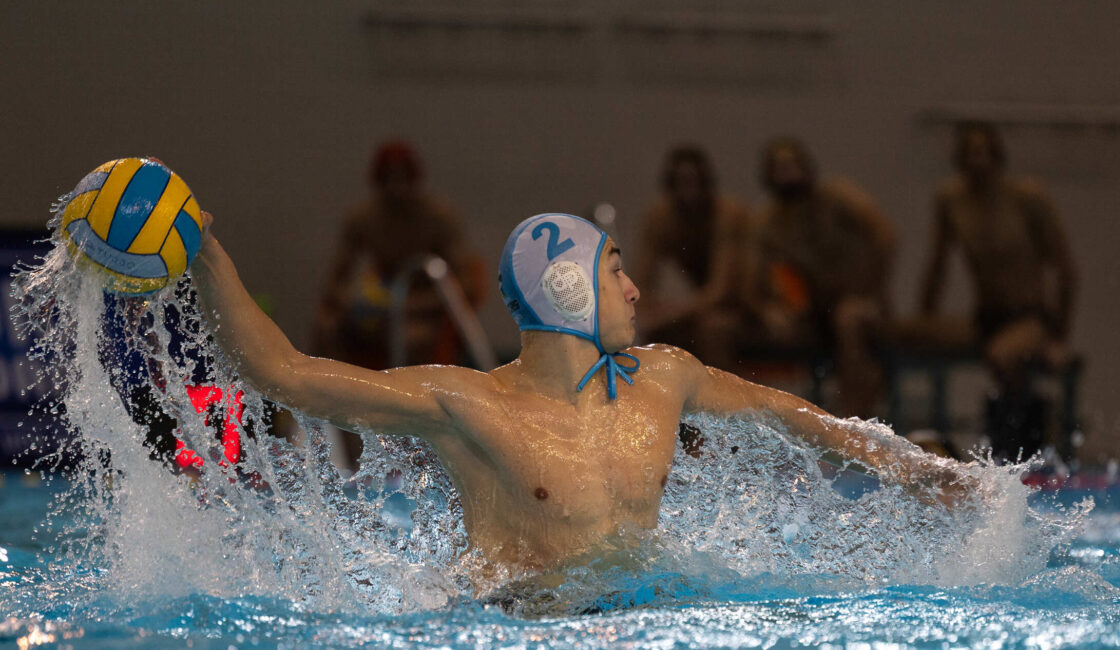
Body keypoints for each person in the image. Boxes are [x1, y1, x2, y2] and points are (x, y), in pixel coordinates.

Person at [192, 210, 968, 583]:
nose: (635, 290)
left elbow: (789, 413)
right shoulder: (469, 407)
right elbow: (284, 374)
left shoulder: (663, 379)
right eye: (615, 273)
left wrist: (909, 467)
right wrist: (207, 251)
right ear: (565, 287)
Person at [919, 122, 1077, 459]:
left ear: (997, 157)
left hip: (1030, 316)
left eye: (983, 153)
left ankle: (1022, 447)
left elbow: (1065, 270)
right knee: (895, 335)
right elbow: (937, 266)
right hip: (985, 317)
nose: (977, 161)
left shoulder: (1027, 198)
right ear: (960, 159)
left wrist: (1059, 336)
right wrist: (925, 320)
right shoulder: (951, 200)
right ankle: (927, 444)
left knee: (1003, 355)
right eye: (970, 153)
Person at [742, 137, 897, 418]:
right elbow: (753, 277)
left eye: (792, 166)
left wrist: (869, 287)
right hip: (815, 308)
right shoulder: (768, 221)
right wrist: (769, 309)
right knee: (778, 328)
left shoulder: (838, 197)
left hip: (861, 300)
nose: (788, 175)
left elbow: (885, 236)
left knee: (848, 319)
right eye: (779, 169)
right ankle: (770, 419)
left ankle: (856, 414)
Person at [312, 140, 482, 370]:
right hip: (378, 306)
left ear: (414, 178)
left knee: (408, 339)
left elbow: (465, 284)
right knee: (327, 326)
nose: (396, 187)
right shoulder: (364, 218)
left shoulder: (438, 217)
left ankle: (408, 400)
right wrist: (350, 301)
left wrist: (411, 304)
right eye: (388, 178)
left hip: (422, 309)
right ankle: (334, 397)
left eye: (402, 177)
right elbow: (336, 277)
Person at [632, 146, 750, 368]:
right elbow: (640, 281)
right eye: (680, 182)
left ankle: (724, 400)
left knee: (713, 327)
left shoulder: (728, 215)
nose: (689, 191)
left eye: (695, 182)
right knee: (647, 328)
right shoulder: (660, 217)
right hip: (704, 305)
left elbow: (722, 289)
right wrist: (647, 308)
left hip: (744, 304)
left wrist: (672, 312)